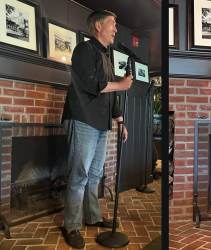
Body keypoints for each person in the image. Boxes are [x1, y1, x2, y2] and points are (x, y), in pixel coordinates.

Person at [60, 10, 133, 249]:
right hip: (83, 120)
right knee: (79, 176)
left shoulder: (106, 56)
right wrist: (121, 84)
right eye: (113, 24)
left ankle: (92, 217)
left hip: (102, 124)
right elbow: (93, 84)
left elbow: (110, 95)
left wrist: (120, 121)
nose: (115, 29)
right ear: (99, 26)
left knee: (94, 175)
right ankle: (70, 226)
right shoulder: (84, 50)